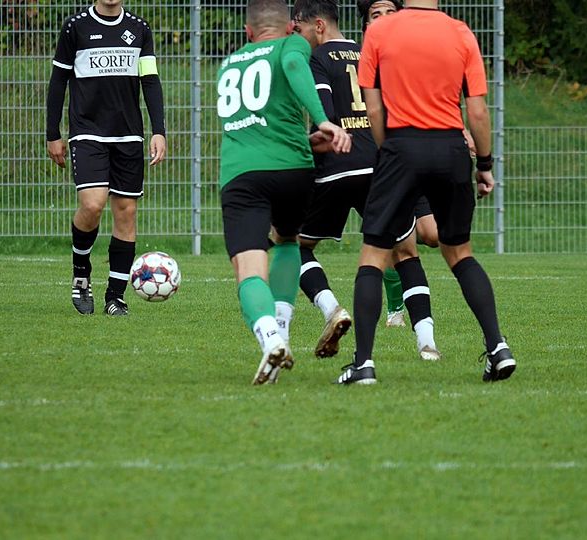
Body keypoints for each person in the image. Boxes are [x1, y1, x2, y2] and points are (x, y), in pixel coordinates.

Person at [336, 0, 517, 384]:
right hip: (451, 149)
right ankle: (498, 347)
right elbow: (478, 112)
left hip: (401, 146)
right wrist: (484, 165)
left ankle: (363, 364)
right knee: (459, 252)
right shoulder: (461, 32)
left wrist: (388, 152)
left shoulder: (380, 31)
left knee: (373, 255)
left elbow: (373, 108)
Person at [291, 0, 441, 362]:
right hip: (381, 166)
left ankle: (331, 308)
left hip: (338, 166)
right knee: (406, 254)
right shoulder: (371, 53)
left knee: (293, 246)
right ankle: (427, 343)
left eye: (300, 30)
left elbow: (326, 118)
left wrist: (302, 145)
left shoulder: (318, 58)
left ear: (319, 26)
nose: (298, 38)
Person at [217, 0, 351, 385]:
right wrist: (323, 123)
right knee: (289, 240)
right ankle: (283, 333)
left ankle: (271, 337)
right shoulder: (292, 44)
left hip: (243, 174)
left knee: (248, 269)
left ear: (248, 31)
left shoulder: (229, 64)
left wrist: (321, 122)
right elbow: (293, 65)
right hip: (294, 169)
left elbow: (257, 124)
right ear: (290, 27)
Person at [46, 0, 167, 317]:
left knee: (126, 212)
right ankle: (81, 273)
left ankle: (115, 296)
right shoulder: (76, 27)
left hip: (128, 134)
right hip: (88, 132)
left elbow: (150, 81)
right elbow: (58, 81)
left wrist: (159, 130)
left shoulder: (139, 29)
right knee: (92, 204)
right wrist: (52, 133)